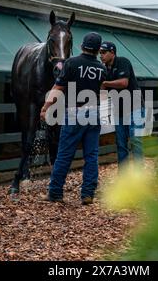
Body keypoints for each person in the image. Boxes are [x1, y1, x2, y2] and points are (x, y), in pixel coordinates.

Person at [40, 32, 106, 205]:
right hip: (94, 113)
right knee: (91, 155)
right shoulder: (101, 68)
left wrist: (46, 106)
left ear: (81, 46)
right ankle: (87, 194)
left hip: (74, 113)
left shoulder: (71, 63)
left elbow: (58, 88)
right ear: (99, 50)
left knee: (64, 155)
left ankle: (55, 193)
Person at [99, 41, 144, 169]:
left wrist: (105, 83)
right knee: (120, 143)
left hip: (134, 107)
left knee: (136, 140)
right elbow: (102, 91)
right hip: (118, 109)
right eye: (99, 53)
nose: (100, 55)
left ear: (112, 52)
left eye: (103, 52)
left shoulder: (123, 61)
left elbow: (124, 83)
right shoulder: (103, 69)